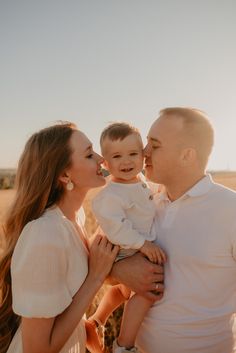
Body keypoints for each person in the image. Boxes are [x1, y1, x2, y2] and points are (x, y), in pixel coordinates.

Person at [111, 107, 236, 353]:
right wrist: (119, 268)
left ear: (187, 155)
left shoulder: (230, 209)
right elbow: (95, 264)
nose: (143, 152)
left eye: (154, 145)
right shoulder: (144, 202)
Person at [0, 122, 119, 353]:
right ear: (65, 174)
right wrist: (95, 278)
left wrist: (87, 325)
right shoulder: (45, 233)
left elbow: (60, 308)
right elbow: (37, 350)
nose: (101, 159)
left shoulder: (76, 218)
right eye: (89, 154)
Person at [86, 122, 166, 353]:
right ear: (106, 163)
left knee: (122, 291)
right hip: (124, 248)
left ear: (142, 155)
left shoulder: (139, 181)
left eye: (133, 154)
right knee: (146, 293)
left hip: (135, 246)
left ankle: (97, 320)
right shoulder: (110, 195)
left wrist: (160, 192)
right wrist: (144, 246)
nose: (127, 161)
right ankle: (124, 345)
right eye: (117, 156)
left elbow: (147, 196)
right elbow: (116, 229)